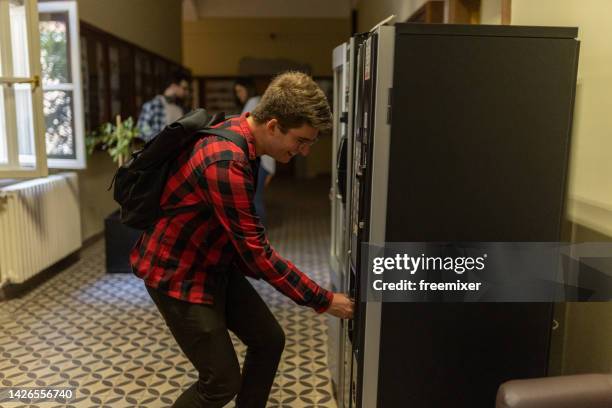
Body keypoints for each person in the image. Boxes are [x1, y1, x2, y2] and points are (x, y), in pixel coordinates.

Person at [131, 71, 354, 408]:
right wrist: (322, 299)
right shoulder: (226, 161)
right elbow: (257, 254)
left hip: (212, 261)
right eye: (302, 141)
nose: (305, 151)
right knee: (220, 382)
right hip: (176, 273)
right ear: (274, 126)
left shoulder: (241, 130)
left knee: (268, 339)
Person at [234, 78, 275, 225]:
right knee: (255, 199)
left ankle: (259, 236)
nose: (238, 94)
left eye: (240, 91)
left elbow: (245, 132)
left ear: (248, 89)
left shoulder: (253, 103)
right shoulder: (256, 102)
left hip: (260, 159)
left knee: (255, 200)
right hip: (263, 159)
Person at [137, 70, 191, 142]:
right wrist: (160, 140)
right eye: (184, 88)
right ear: (174, 86)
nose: (186, 93)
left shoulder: (181, 108)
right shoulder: (153, 106)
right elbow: (141, 130)